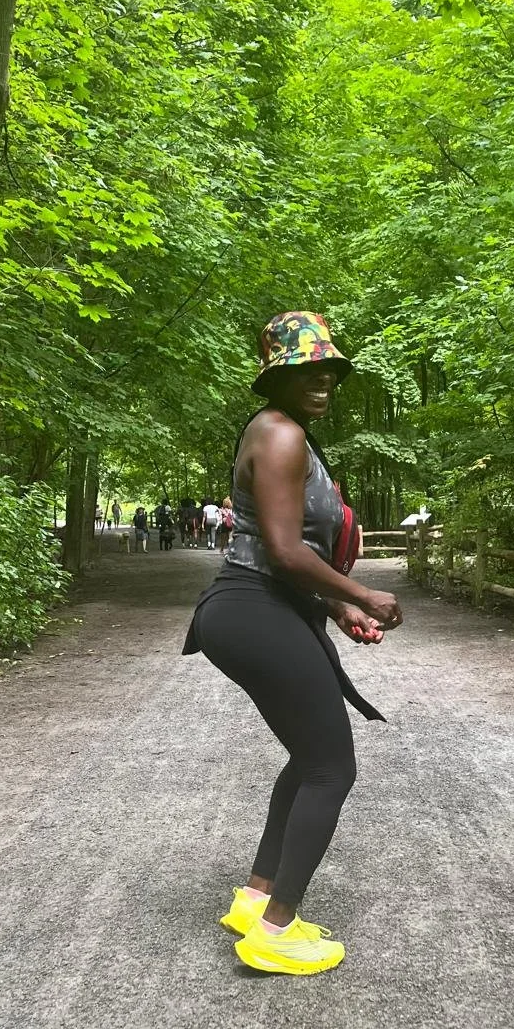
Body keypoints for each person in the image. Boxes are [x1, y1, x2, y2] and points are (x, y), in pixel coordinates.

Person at [183, 311, 402, 976]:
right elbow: (280, 551)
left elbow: (291, 550)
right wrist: (362, 594)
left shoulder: (290, 437)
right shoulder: (279, 435)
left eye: (330, 370)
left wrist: (335, 606)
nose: (323, 381)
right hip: (253, 606)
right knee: (332, 769)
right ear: (276, 376)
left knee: (309, 758)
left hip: (261, 605)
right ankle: (277, 932)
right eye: (306, 370)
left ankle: (257, 898)